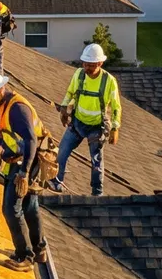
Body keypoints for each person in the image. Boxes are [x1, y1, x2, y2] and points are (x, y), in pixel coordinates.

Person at [0, 70, 50, 270]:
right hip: (18, 159)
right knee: (29, 206)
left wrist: (24, 173)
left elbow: (31, 140)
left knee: (11, 209)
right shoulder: (0, 107)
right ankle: (39, 250)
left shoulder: (17, 110)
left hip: (29, 160)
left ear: (0, 90)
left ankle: (25, 257)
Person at [51, 44, 121, 195]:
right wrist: (64, 109)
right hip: (77, 123)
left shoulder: (109, 81)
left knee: (96, 161)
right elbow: (70, 93)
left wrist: (115, 128)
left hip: (96, 127)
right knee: (62, 152)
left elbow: (116, 107)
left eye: (91, 65)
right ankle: (56, 182)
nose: (87, 68)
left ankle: (97, 192)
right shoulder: (79, 74)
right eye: (85, 64)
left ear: (100, 63)